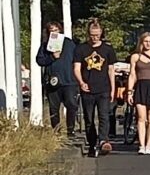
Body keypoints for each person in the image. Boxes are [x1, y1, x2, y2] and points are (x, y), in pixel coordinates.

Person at [72, 20, 116, 157]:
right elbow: (77, 68)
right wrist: (81, 82)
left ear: (101, 33)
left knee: (104, 116)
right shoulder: (80, 49)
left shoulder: (108, 49)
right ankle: (92, 144)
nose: (94, 38)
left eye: (97, 35)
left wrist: (113, 88)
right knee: (89, 119)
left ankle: (103, 140)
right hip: (88, 89)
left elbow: (111, 70)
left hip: (103, 88)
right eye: (92, 35)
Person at [35, 23, 80, 140]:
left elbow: (77, 59)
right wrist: (51, 57)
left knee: (71, 104)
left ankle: (71, 129)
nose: (54, 32)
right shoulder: (45, 46)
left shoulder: (69, 43)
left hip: (69, 81)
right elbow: (39, 61)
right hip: (52, 81)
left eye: (56, 30)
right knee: (54, 108)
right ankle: (56, 131)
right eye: (51, 31)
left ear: (60, 30)